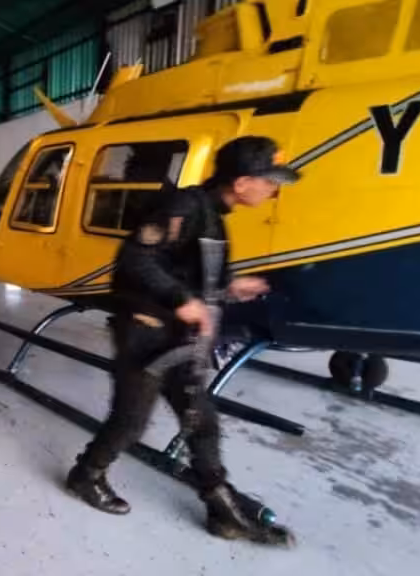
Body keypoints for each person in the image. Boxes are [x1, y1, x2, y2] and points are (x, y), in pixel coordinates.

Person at [64, 136, 299, 546]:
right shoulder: (185, 206)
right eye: (269, 181)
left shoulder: (212, 214)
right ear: (242, 182)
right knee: (130, 421)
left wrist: (228, 286)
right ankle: (86, 475)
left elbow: (184, 270)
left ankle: (218, 504)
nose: (273, 191)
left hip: (178, 339)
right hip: (145, 334)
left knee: (201, 419)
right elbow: (135, 259)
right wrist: (183, 301)